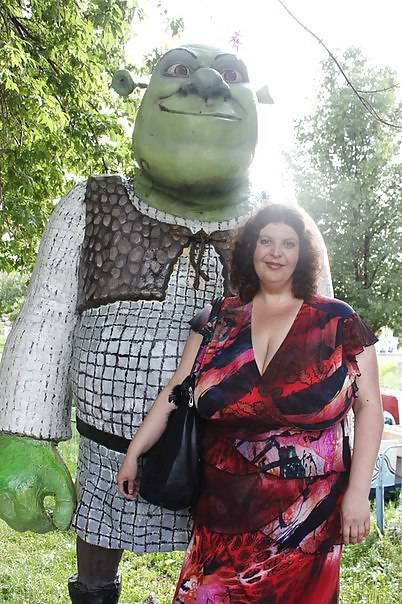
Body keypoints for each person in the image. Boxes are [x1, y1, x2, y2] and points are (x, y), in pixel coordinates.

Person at [117, 203, 383, 603]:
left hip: (307, 519)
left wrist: (359, 491)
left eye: (288, 243)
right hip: (222, 510)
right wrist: (134, 453)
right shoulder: (218, 319)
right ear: (250, 249)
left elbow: (370, 407)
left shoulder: (337, 321)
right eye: (266, 241)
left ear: (302, 253)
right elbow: (175, 391)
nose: (276, 252)